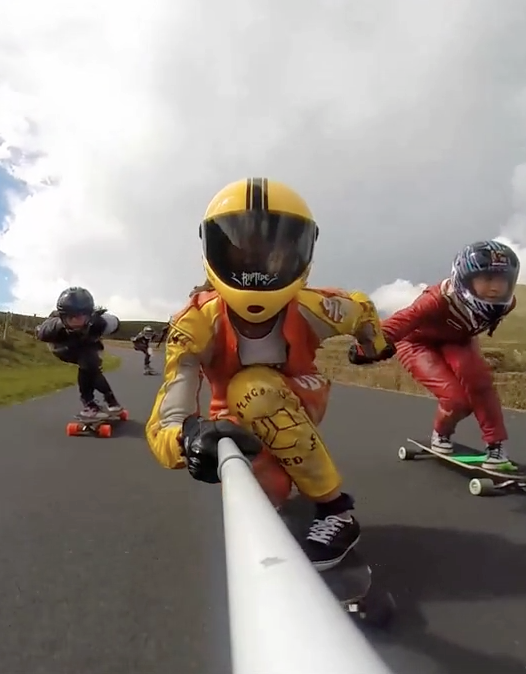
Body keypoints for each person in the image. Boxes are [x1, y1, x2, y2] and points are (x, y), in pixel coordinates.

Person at [145, 177, 394, 571]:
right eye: (242, 254)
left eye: (272, 255)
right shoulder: (193, 324)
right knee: (263, 489)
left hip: (300, 392)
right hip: (232, 416)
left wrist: (372, 346)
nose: (257, 267)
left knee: (254, 389)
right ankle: (276, 496)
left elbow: (361, 311)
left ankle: (336, 511)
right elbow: (167, 421)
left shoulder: (316, 308)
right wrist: (189, 438)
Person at [377, 240, 521, 470]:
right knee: (457, 400)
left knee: (480, 382)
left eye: (502, 280)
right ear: (464, 279)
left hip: (458, 340)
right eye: (487, 279)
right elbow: (404, 318)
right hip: (418, 343)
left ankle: (496, 445)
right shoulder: (438, 298)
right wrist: (373, 343)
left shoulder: (506, 304)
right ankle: (440, 434)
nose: (495, 288)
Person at [35, 286, 123, 419]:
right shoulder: (52, 327)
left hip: (87, 345)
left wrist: (106, 320)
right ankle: (89, 404)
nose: (76, 322)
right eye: (70, 318)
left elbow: (115, 323)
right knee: (88, 362)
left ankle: (109, 399)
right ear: (62, 316)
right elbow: (41, 332)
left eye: (80, 317)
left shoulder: (100, 322)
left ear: (89, 314)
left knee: (92, 366)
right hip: (63, 348)